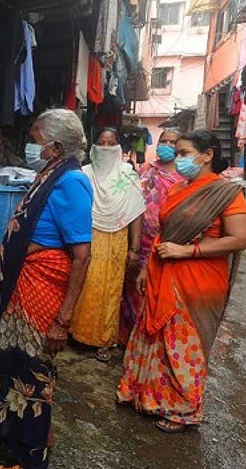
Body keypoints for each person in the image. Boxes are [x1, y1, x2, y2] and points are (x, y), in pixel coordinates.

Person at [0, 108, 93, 469]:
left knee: (33, 370)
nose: (30, 147)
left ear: (56, 147)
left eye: (35, 141)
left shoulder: (71, 182)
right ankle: (31, 434)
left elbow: (82, 255)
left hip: (42, 287)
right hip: (26, 285)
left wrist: (64, 319)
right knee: (18, 362)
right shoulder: (51, 173)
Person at [118, 130, 246, 433]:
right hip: (163, 270)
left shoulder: (226, 193)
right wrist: (145, 269)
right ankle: (148, 396)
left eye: (184, 153)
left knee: (183, 343)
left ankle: (181, 409)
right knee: (156, 337)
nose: (177, 159)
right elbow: (164, 233)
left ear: (207, 155)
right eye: (176, 153)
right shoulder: (179, 188)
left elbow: (239, 239)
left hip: (198, 282)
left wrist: (187, 251)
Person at [70, 127, 145, 362]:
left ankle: (104, 339)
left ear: (118, 146)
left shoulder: (128, 175)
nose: (105, 148)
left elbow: (136, 213)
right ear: (93, 146)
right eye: (101, 143)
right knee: (83, 285)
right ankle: (76, 333)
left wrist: (135, 249)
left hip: (116, 238)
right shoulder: (84, 174)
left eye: (110, 143)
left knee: (110, 289)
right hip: (86, 236)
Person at [119, 128, 185, 343]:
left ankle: (149, 339)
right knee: (130, 288)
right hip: (138, 238)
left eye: (172, 142)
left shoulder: (184, 177)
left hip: (166, 243)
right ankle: (127, 337)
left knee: (154, 290)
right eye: (163, 141)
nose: (167, 145)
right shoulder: (147, 169)